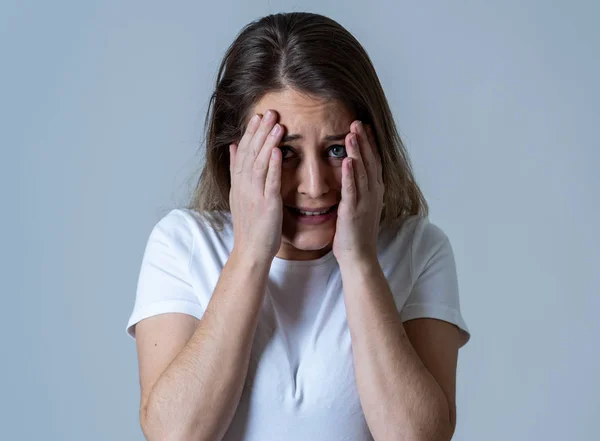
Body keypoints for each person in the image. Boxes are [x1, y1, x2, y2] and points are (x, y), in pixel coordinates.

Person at [125, 11, 470, 441]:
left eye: (336, 150)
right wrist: (251, 253)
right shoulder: (181, 245)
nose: (315, 185)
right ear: (236, 156)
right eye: (285, 153)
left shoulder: (419, 249)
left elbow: (418, 437)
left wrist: (359, 262)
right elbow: (175, 435)